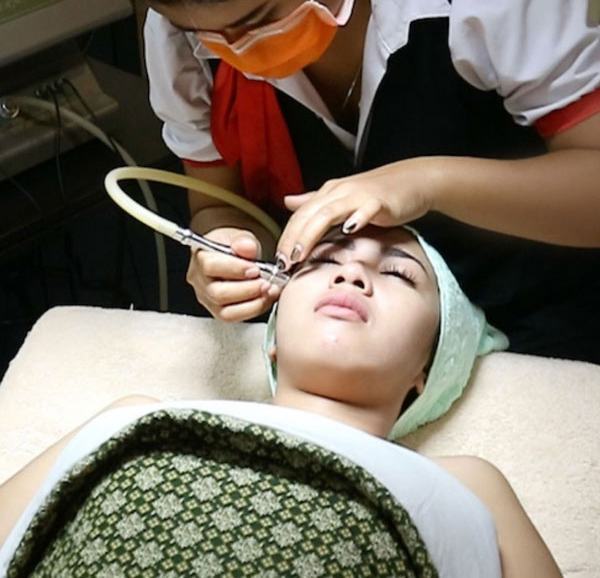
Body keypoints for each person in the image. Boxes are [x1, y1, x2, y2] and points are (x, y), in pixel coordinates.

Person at [93, 0, 600, 362]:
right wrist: (226, 253)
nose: (238, 54)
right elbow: (217, 204)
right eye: (210, 36)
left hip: (539, 324)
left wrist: (424, 182)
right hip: (351, 349)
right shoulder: (181, 36)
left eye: (259, 19)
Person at [0, 227, 560, 577]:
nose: (351, 273)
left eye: (397, 274)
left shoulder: (469, 484)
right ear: (271, 344)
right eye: (322, 262)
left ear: (426, 370)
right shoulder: (139, 417)